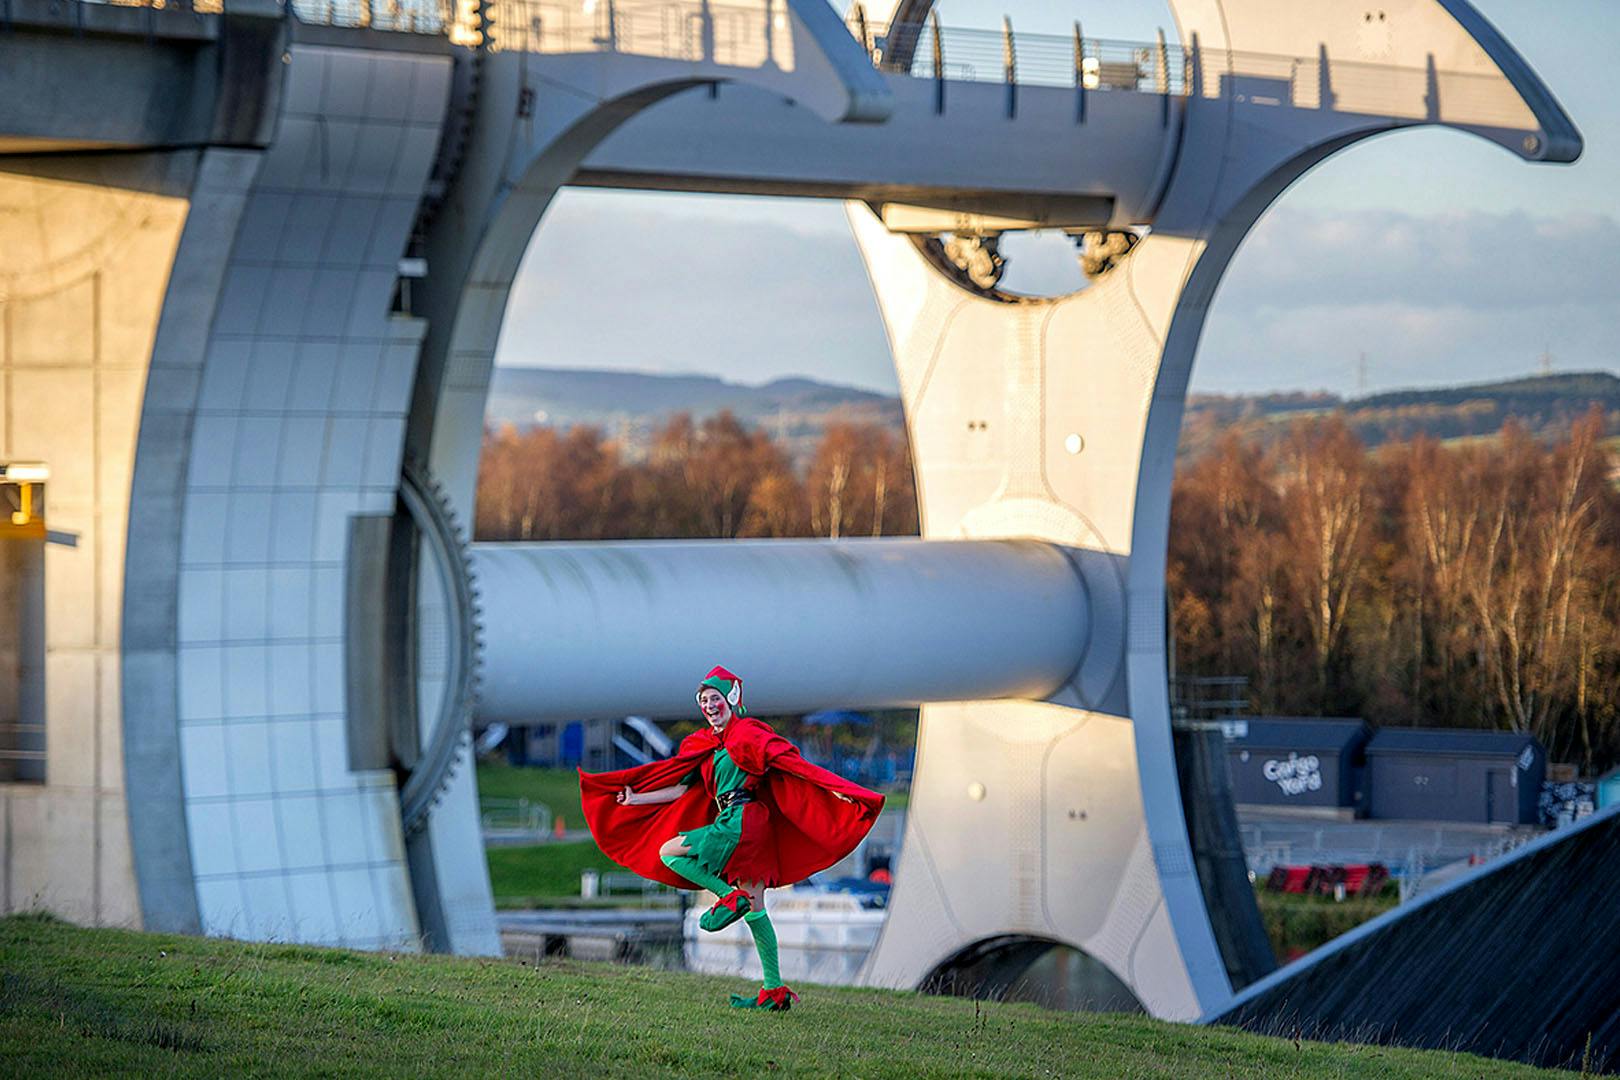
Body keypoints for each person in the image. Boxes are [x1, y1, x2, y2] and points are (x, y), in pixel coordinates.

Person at [579, 666, 885, 1010]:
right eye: (704, 701)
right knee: (755, 909)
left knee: (668, 851)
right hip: (743, 824)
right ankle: (773, 991)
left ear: (732, 699)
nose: (709, 706)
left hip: (743, 820)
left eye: (715, 698)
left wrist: (838, 790)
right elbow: (681, 789)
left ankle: (727, 896)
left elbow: (793, 765)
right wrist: (636, 798)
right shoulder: (704, 746)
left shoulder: (749, 734)